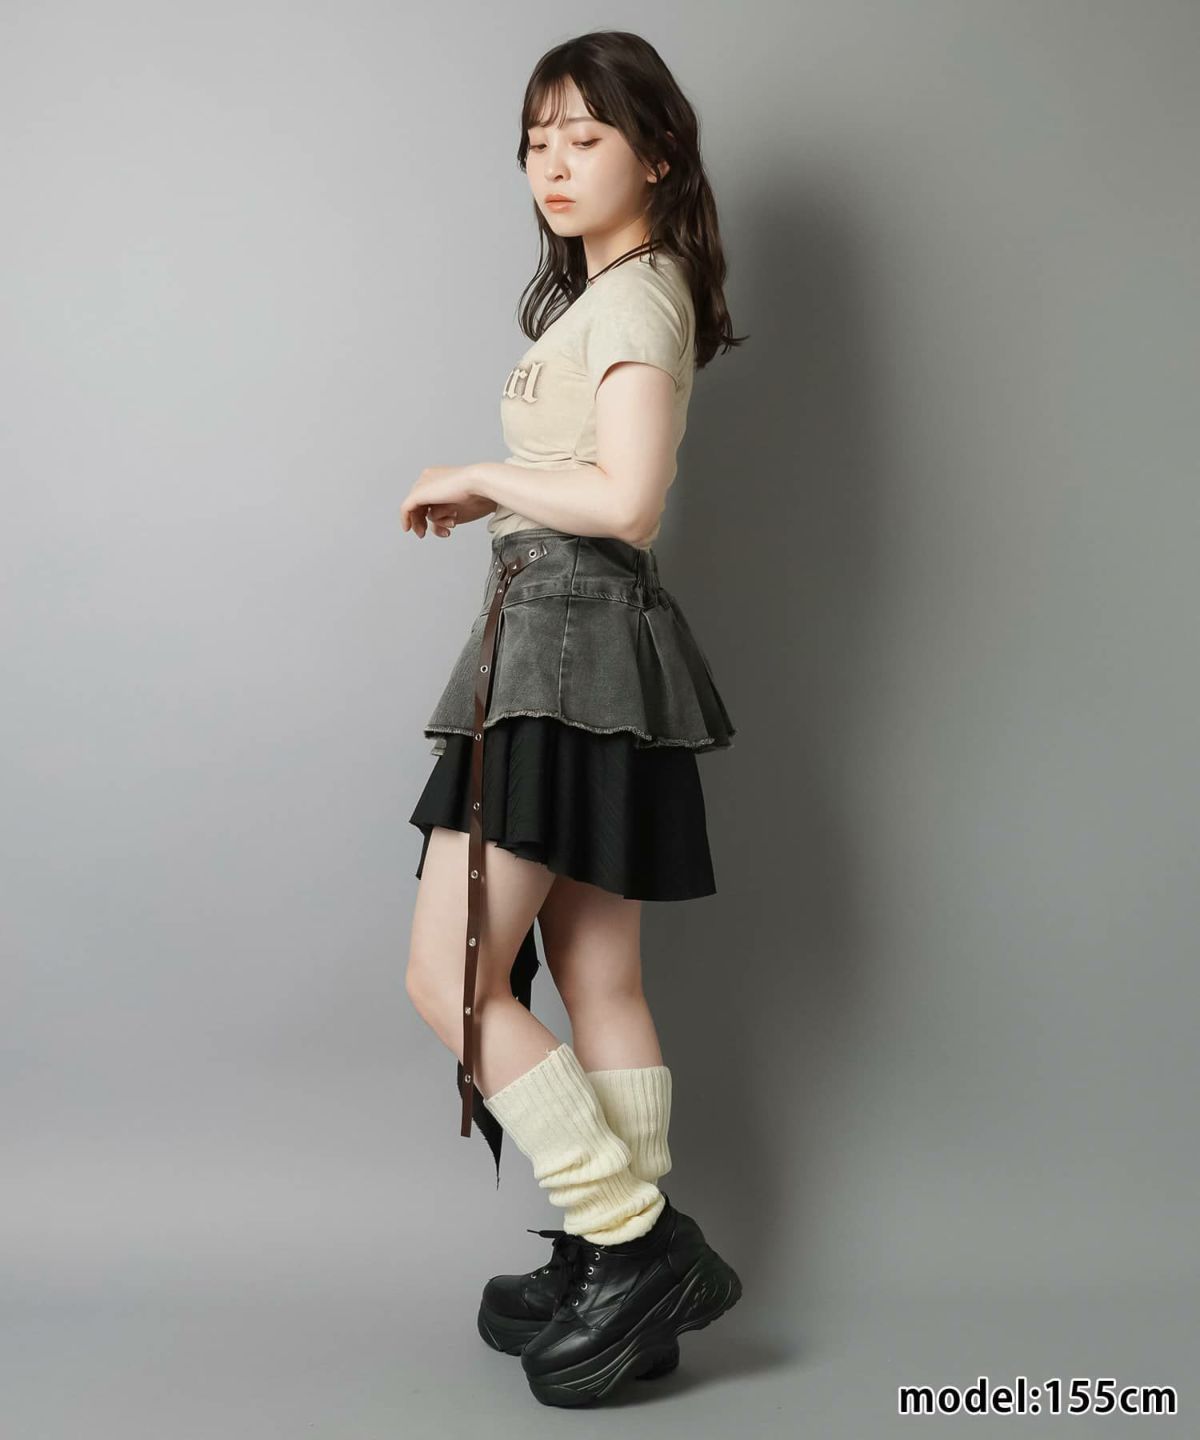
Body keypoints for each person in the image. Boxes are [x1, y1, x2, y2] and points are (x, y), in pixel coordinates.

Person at [399, 31, 745, 1408]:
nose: (553, 162)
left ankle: (633, 1238)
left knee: (450, 979)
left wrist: (485, 474)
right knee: (599, 978)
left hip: (566, 642)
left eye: (585, 136)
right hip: (588, 645)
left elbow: (629, 503)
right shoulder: (613, 295)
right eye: (537, 139)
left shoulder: (638, 299)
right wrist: (502, 490)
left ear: (655, 155)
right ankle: (620, 1280)